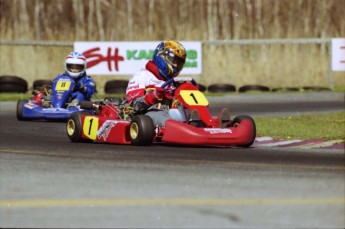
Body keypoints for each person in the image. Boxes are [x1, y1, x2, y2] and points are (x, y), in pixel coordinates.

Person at [125, 40, 189, 127]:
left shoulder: (173, 82)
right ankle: (181, 130)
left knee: (192, 115)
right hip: (147, 114)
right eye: (174, 61)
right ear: (162, 57)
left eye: (179, 63)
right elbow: (134, 105)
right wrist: (154, 95)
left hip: (170, 113)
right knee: (165, 119)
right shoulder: (142, 76)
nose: (176, 65)